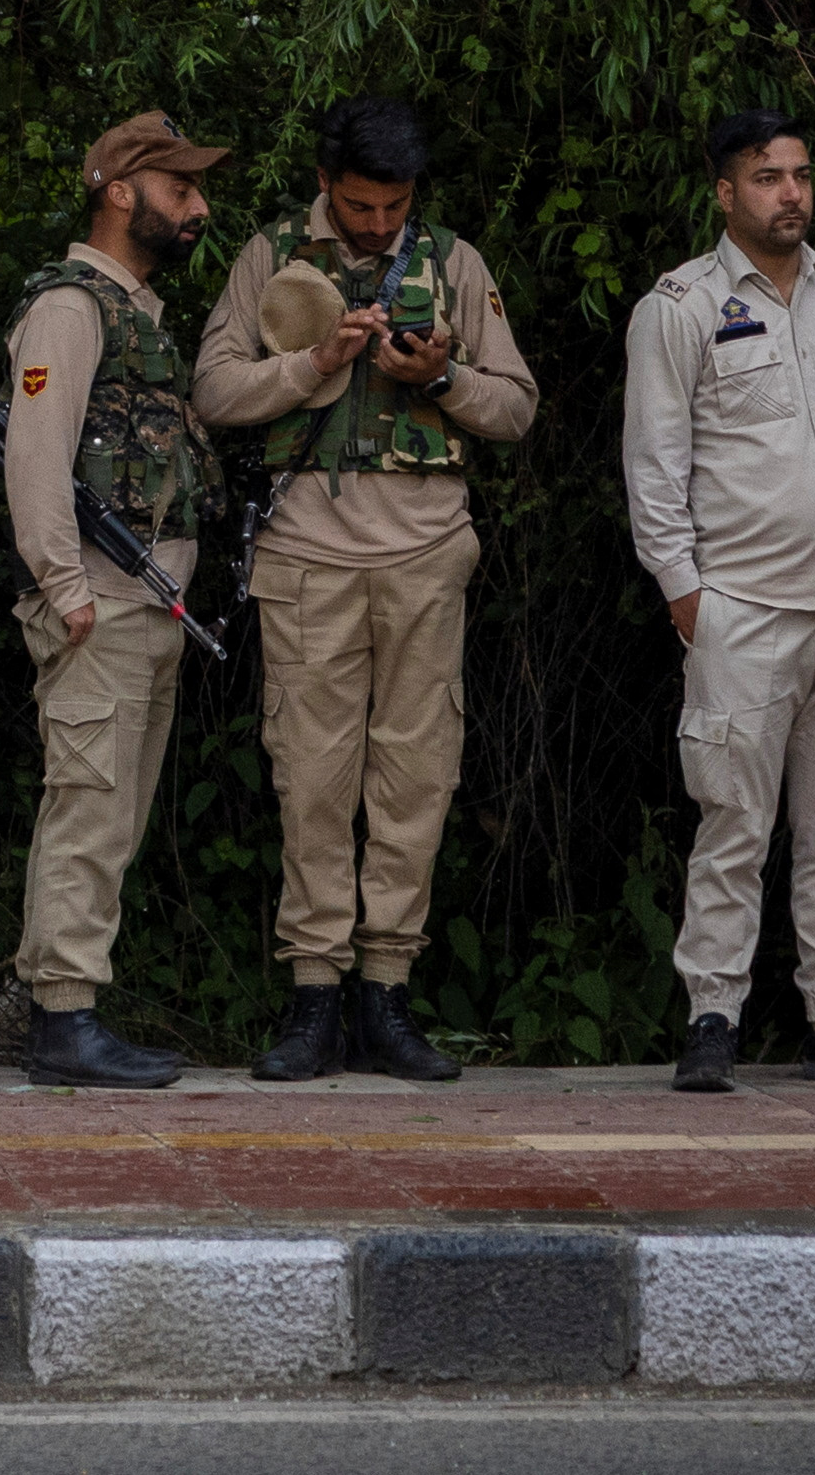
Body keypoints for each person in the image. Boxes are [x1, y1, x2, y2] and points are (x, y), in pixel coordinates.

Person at [193, 94, 535, 1083]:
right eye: (357, 206)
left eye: (392, 207)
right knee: (310, 774)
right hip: (307, 555)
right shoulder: (267, 256)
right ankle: (312, 995)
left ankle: (385, 990)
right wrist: (315, 361)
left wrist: (440, 378)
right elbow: (215, 393)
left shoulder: (453, 262)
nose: (377, 224)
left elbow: (512, 407)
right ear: (323, 184)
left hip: (426, 549)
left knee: (415, 772)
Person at [622, 109, 815, 1094]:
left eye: (799, 174)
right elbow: (653, 472)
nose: (788, 192)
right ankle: (711, 1013)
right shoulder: (678, 303)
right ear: (724, 191)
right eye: (765, 176)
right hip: (742, 608)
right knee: (731, 824)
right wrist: (688, 601)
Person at [0, 111, 229, 1093]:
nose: (199, 207)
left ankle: (68, 999)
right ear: (120, 188)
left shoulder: (132, 307)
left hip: (144, 602)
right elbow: (34, 454)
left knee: (112, 811)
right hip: (99, 595)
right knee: (88, 807)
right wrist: (63, 585)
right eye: (180, 188)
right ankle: (63, 1014)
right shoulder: (69, 306)